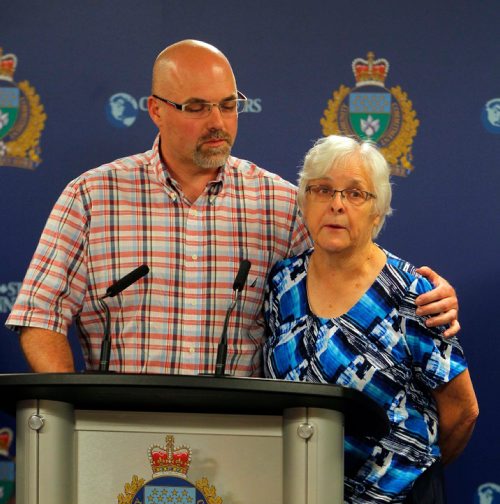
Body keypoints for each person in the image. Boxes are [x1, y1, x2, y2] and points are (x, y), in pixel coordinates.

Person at [6, 39, 458, 374]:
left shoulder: (281, 205)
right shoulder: (91, 198)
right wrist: (73, 414)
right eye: (197, 108)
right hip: (118, 433)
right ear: (156, 110)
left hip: (242, 445)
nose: (218, 123)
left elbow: (353, 273)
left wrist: (421, 292)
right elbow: (39, 318)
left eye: (228, 105)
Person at [263, 134, 479, 504]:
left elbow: (462, 411)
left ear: (378, 212)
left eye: (355, 193)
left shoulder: (415, 295)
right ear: (303, 202)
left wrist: (407, 480)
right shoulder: (280, 286)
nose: (337, 204)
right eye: (323, 190)